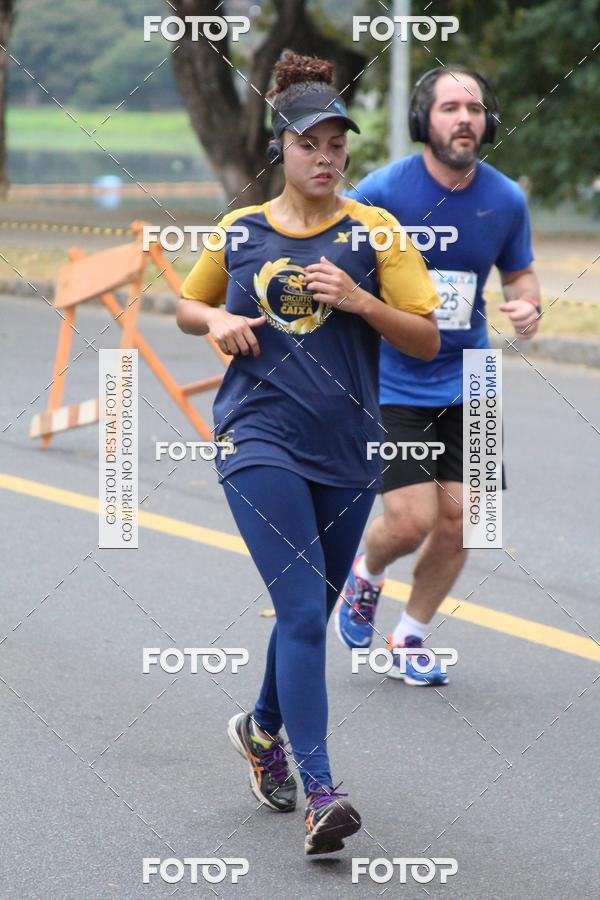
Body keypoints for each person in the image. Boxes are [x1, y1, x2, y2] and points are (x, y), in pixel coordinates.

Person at [176, 52, 440, 855]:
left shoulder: (375, 232)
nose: (325, 157)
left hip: (349, 447)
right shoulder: (242, 231)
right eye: (309, 143)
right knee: (297, 610)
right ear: (279, 149)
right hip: (257, 439)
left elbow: (426, 339)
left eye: (337, 144)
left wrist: (361, 299)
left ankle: (261, 732)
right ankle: (323, 792)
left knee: (311, 612)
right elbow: (188, 301)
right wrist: (213, 321)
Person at [335, 66, 542, 684]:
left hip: (471, 378)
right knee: (410, 520)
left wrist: (530, 305)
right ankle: (366, 576)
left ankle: (409, 638)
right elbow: (339, 268)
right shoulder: (382, 191)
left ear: (488, 121)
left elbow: (521, 273)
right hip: (391, 376)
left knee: (467, 522)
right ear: (423, 120)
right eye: (450, 107)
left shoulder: (505, 199)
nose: (464, 119)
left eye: (474, 108)